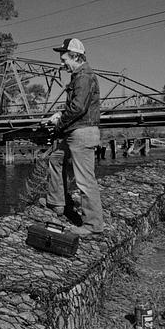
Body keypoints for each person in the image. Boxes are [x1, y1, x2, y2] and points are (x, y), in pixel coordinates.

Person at [40, 37, 105, 236]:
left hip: (82, 134)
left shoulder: (84, 76)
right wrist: (60, 114)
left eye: (64, 59)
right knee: (56, 158)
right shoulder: (78, 76)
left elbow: (77, 108)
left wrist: (59, 123)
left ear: (76, 56)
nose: (62, 63)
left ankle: (93, 225)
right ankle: (57, 203)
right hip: (75, 131)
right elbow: (77, 106)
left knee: (85, 180)